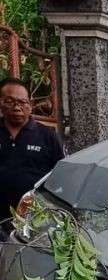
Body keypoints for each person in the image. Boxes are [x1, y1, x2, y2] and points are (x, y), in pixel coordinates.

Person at [0, 79, 63, 236]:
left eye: (22, 102)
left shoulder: (48, 136)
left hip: (35, 221)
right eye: (10, 101)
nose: (17, 107)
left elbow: (60, 177)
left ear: (30, 104)